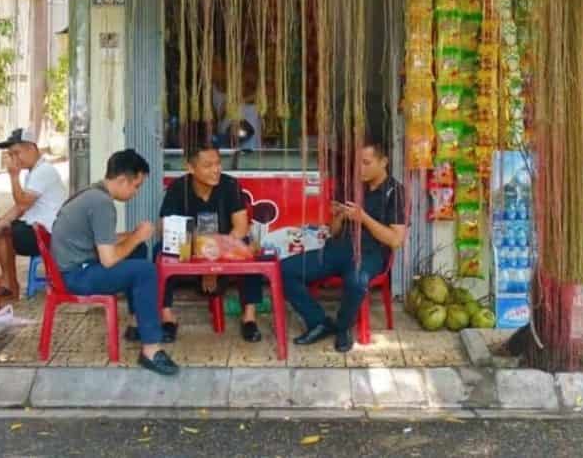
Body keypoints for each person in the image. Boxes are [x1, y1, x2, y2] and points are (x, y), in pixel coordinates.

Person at [51, 149, 179, 376]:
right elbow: (108, 260)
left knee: (137, 248)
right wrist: (138, 235)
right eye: (136, 186)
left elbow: (103, 241)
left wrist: (133, 236)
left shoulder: (93, 194)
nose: (136, 192)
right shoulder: (102, 204)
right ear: (122, 180)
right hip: (76, 276)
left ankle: (136, 323)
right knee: (146, 271)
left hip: (75, 266)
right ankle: (151, 349)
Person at [282, 141, 406, 353]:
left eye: (366, 163)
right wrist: (338, 217)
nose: (360, 169)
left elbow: (395, 240)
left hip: (371, 253)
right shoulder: (351, 186)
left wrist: (363, 218)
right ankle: (318, 322)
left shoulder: (395, 192)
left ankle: (342, 327)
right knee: (284, 270)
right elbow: (334, 231)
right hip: (338, 248)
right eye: (358, 163)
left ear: (383, 162)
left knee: (357, 282)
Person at [159, 141, 263, 343]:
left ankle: (249, 316)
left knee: (251, 251)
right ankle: (167, 317)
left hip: (226, 252)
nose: (216, 170)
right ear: (190, 167)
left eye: (218, 163)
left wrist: (215, 259)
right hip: (189, 252)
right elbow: (165, 226)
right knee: (161, 252)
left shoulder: (230, 185)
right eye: (208, 166)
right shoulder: (178, 188)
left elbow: (240, 227)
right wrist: (203, 258)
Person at [0, 128, 67, 294]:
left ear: (31, 148)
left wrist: (13, 177)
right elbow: (20, 207)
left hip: (48, 235)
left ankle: (9, 283)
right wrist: (1, 220)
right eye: (11, 155)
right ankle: (7, 281)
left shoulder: (43, 171)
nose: (15, 159)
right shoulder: (35, 171)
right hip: (38, 229)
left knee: (3, 232)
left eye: (17, 153)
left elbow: (22, 203)